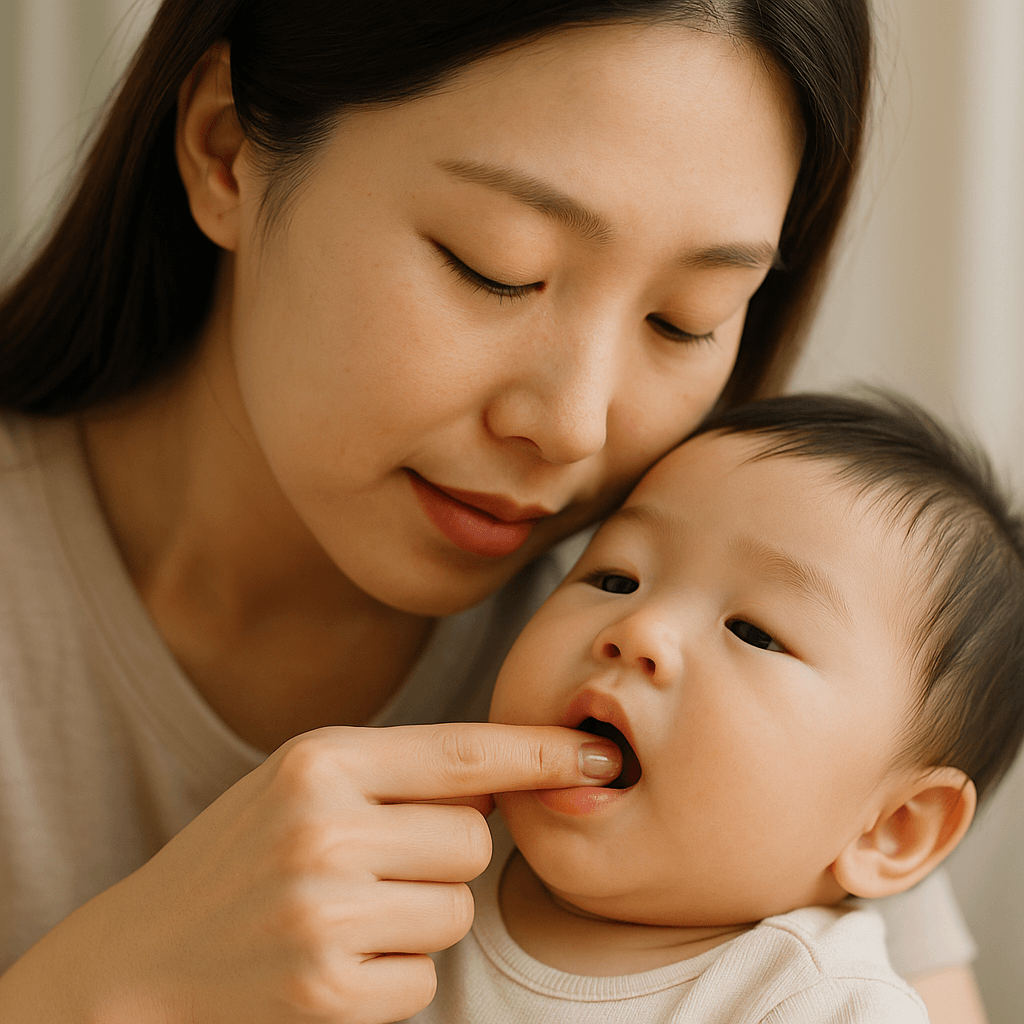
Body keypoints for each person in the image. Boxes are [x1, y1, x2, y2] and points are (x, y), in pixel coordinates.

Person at [0, 1, 984, 1021]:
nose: (571, 425)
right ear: (226, 150)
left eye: (682, 321)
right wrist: (100, 992)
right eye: (495, 264)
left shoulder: (733, 677)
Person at [413, 392, 1024, 1023]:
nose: (641, 628)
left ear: (893, 827)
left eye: (753, 632)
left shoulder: (819, 1006)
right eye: (615, 579)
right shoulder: (415, 868)